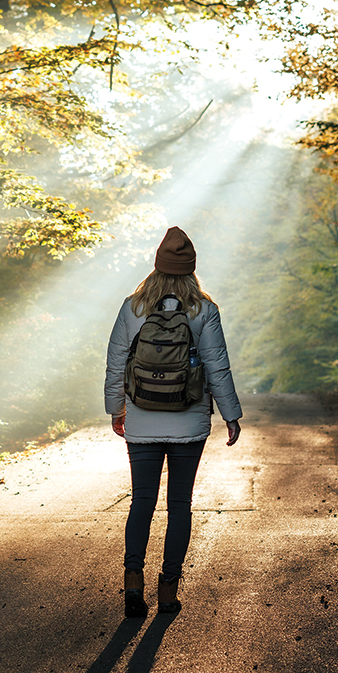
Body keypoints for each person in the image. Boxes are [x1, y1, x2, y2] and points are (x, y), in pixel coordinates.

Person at [104, 226, 242, 618]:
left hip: (142, 422)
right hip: (189, 422)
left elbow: (116, 364)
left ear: (157, 266)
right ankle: (168, 591)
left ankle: (133, 584)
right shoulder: (204, 310)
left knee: (142, 502)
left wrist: (118, 409)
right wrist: (230, 414)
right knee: (179, 504)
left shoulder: (133, 307)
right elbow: (217, 367)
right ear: (191, 269)